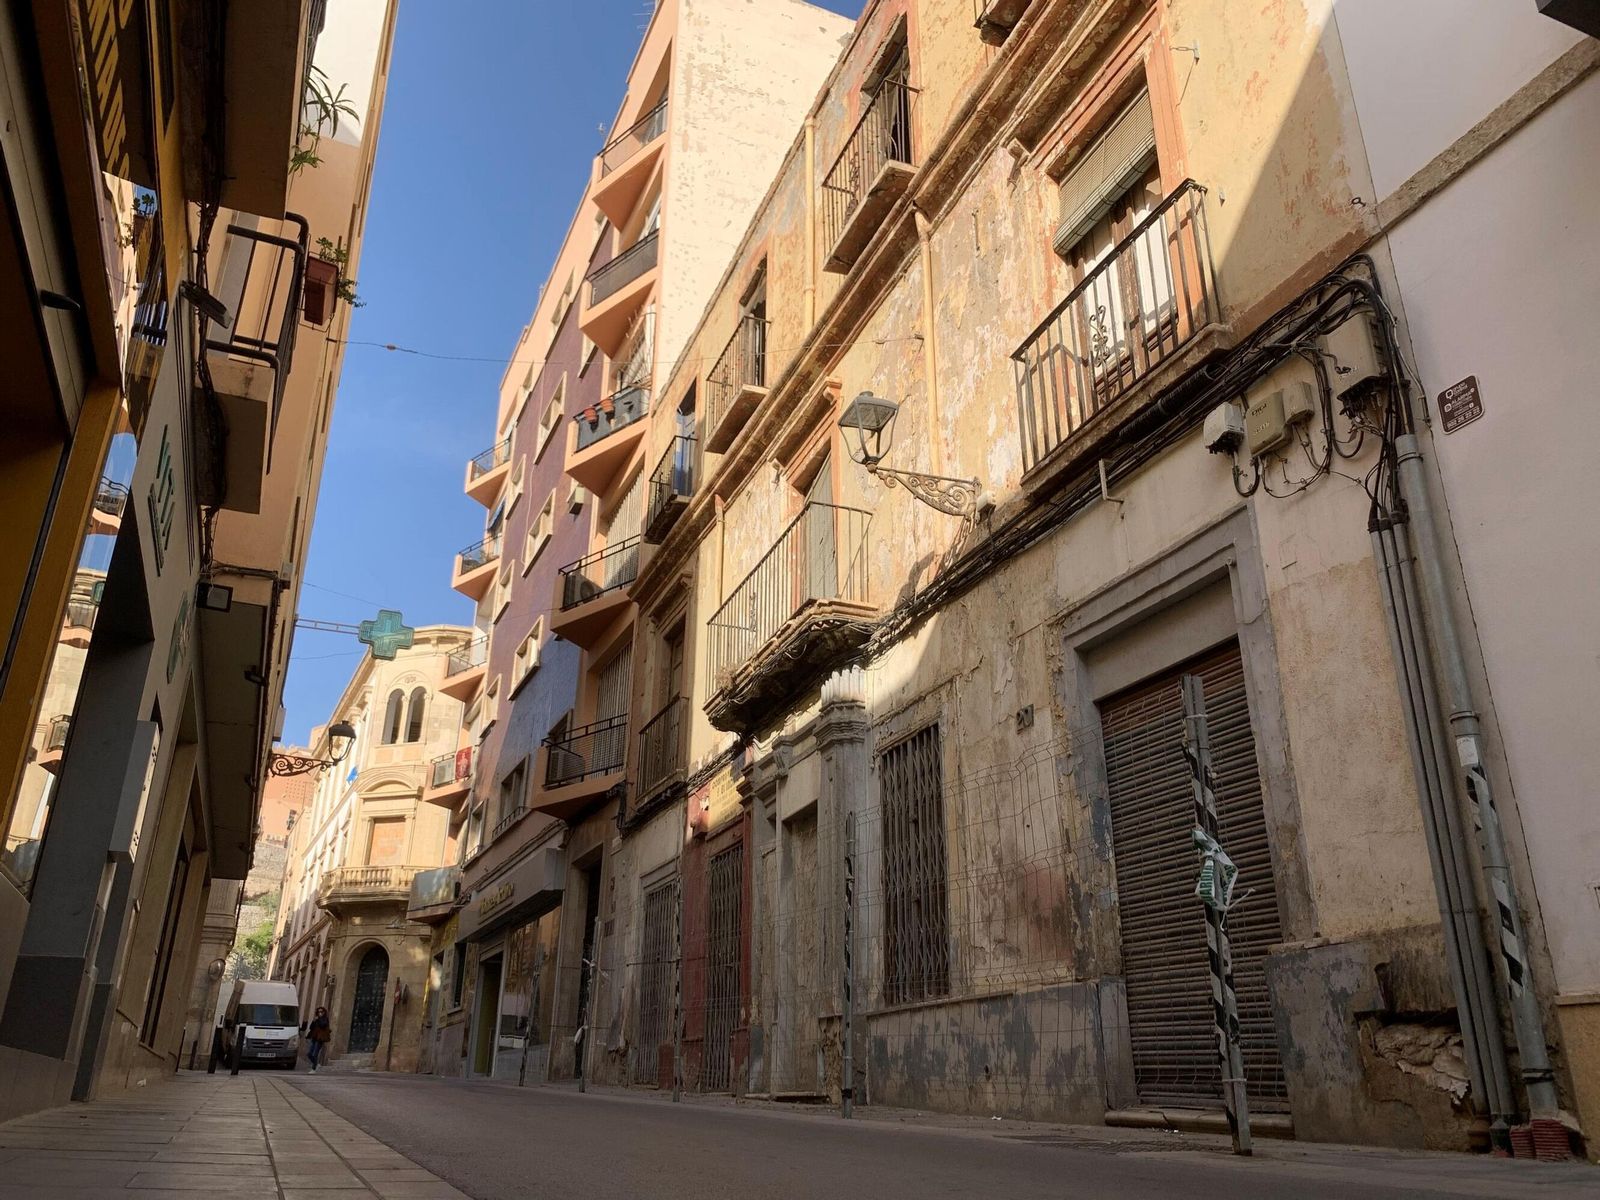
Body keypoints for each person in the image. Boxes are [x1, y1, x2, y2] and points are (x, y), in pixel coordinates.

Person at [305, 1007, 331, 1072]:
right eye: (319, 1012)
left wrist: (319, 1019)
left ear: (324, 1012)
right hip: (314, 1038)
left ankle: (313, 1068)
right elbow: (311, 1027)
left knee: (315, 1054)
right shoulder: (316, 1019)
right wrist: (314, 1021)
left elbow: (323, 1025)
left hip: (320, 1039)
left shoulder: (325, 1019)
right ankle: (316, 1064)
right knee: (309, 1054)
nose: (320, 1013)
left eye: (321, 1012)